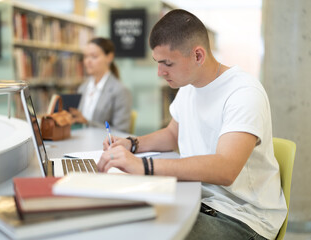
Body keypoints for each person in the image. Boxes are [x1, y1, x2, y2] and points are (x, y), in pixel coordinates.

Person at [97, 9, 287, 240]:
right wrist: (132, 144)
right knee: (119, 218)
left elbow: (226, 168)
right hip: (195, 198)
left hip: (241, 217)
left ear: (198, 55)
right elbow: (172, 134)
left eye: (167, 63)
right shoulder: (188, 86)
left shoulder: (243, 92)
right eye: (158, 62)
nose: (159, 72)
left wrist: (144, 167)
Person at [69, 37, 132, 132]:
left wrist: (87, 123)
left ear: (109, 57)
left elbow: (121, 131)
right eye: (85, 57)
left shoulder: (120, 90)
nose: (88, 61)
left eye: (94, 56)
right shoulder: (83, 87)